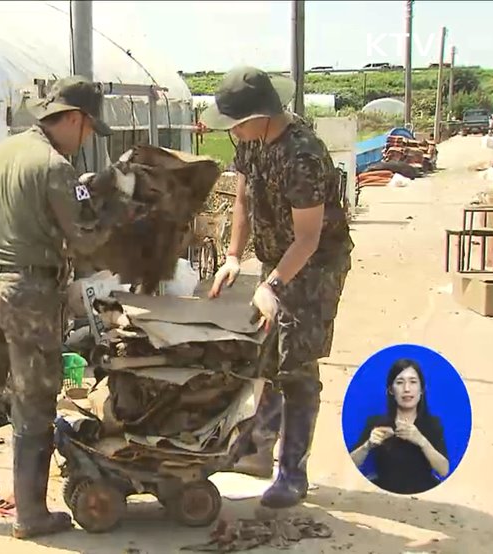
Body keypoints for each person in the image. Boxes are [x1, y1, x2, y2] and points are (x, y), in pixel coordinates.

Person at [0, 75, 115, 539]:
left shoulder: (6, 149)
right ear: (74, 119)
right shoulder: (57, 167)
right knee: (33, 404)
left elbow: (31, 207)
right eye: (89, 128)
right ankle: (30, 515)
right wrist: (114, 212)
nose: (88, 139)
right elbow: (86, 240)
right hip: (27, 293)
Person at [203, 66, 354, 509]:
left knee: (297, 366)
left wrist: (271, 283)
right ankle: (255, 452)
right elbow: (244, 200)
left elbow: (308, 238)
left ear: (263, 115)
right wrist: (234, 256)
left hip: (316, 265)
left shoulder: (301, 156)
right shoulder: (251, 144)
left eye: (238, 122)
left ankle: (293, 472)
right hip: (278, 260)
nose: (233, 132)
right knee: (264, 354)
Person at [349, 359, 449, 494]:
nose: (407, 389)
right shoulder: (377, 423)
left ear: (421, 390)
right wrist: (367, 445)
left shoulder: (431, 424)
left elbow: (443, 469)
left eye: (413, 382)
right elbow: (352, 463)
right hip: (384, 493)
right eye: (400, 382)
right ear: (391, 390)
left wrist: (422, 441)